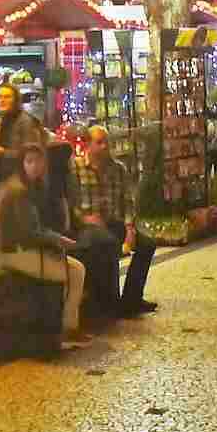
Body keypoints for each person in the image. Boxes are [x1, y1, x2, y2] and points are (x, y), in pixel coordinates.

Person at [0, 144, 89, 350]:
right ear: (21, 164)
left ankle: (67, 327)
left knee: (73, 269)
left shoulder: (23, 186)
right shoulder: (19, 191)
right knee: (74, 271)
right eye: (29, 161)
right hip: (10, 253)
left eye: (39, 161)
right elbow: (30, 231)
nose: (35, 166)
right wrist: (59, 240)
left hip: (17, 249)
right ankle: (66, 328)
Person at [76, 125, 156, 316]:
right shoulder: (76, 168)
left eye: (107, 142)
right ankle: (109, 302)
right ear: (88, 144)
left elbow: (128, 201)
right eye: (100, 142)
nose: (105, 147)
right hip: (89, 225)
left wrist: (130, 228)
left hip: (114, 223)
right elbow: (70, 201)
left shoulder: (118, 169)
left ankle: (131, 299)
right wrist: (84, 218)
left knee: (147, 244)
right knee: (107, 243)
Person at [0, 83, 48, 188]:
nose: (2, 100)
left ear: (16, 101)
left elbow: (31, 156)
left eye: (7, 97)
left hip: (22, 179)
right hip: (1, 177)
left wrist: (2, 152)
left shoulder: (26, 122)